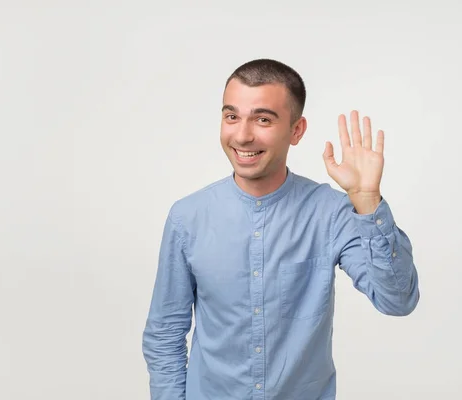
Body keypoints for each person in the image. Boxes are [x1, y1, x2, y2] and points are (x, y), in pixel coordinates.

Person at [142, 58, 420, 400]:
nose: (243, 135)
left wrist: (368, 201)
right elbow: (165, 333)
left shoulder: (331, 213)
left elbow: (397, 300)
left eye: (263, 119)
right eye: (232, 116)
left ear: (296, 130)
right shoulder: (187, 217)